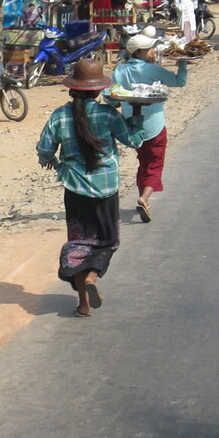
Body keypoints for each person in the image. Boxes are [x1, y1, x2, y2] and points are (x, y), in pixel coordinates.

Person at [36, 59, 146, 317]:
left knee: (79, 243)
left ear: (72, 88)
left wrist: (54, 163)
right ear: (98, 90)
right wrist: (138, 113)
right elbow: (133, 140)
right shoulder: (108, 115)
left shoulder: (60, 115)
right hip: (106, 188)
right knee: (106, 240)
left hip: (75, 189)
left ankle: (84, 304)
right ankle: (92, 277)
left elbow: (44, 150)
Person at [113, 33, 187, 223]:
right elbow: (180, 82)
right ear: (140, 52)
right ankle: (144, 198)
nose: (153, 52)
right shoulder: (152, 70)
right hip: (155, 125)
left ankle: (143, 198)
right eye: (150, 49)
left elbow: (111, 96)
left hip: (131, 125)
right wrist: (183, 63)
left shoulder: (119, 71)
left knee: (143, 161)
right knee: (155, 163)